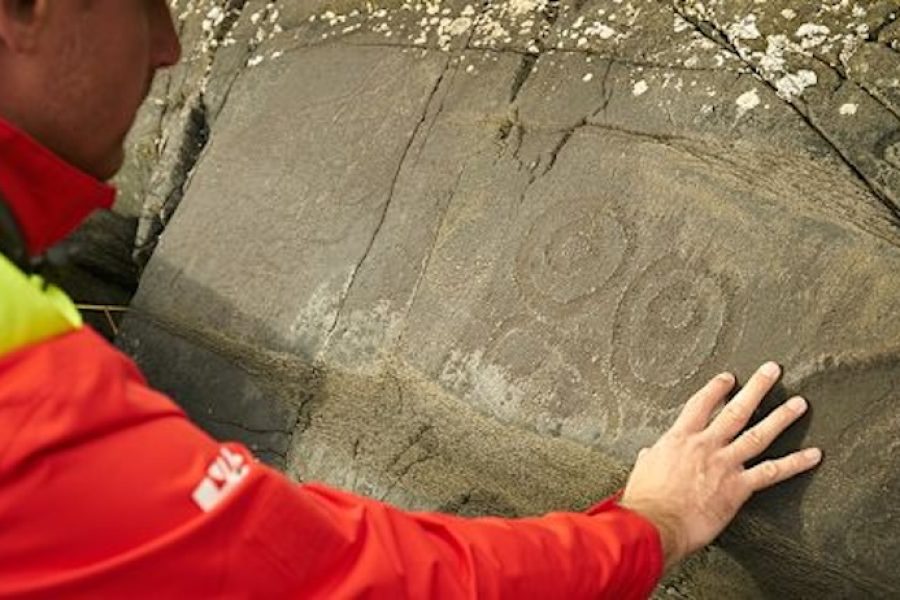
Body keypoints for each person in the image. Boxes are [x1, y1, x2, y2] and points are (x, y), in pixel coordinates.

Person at [0, 1, 822, 597]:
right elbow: (344, 573)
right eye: (144, 4)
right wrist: (655, 525)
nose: (170, 46)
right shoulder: (29, 400)